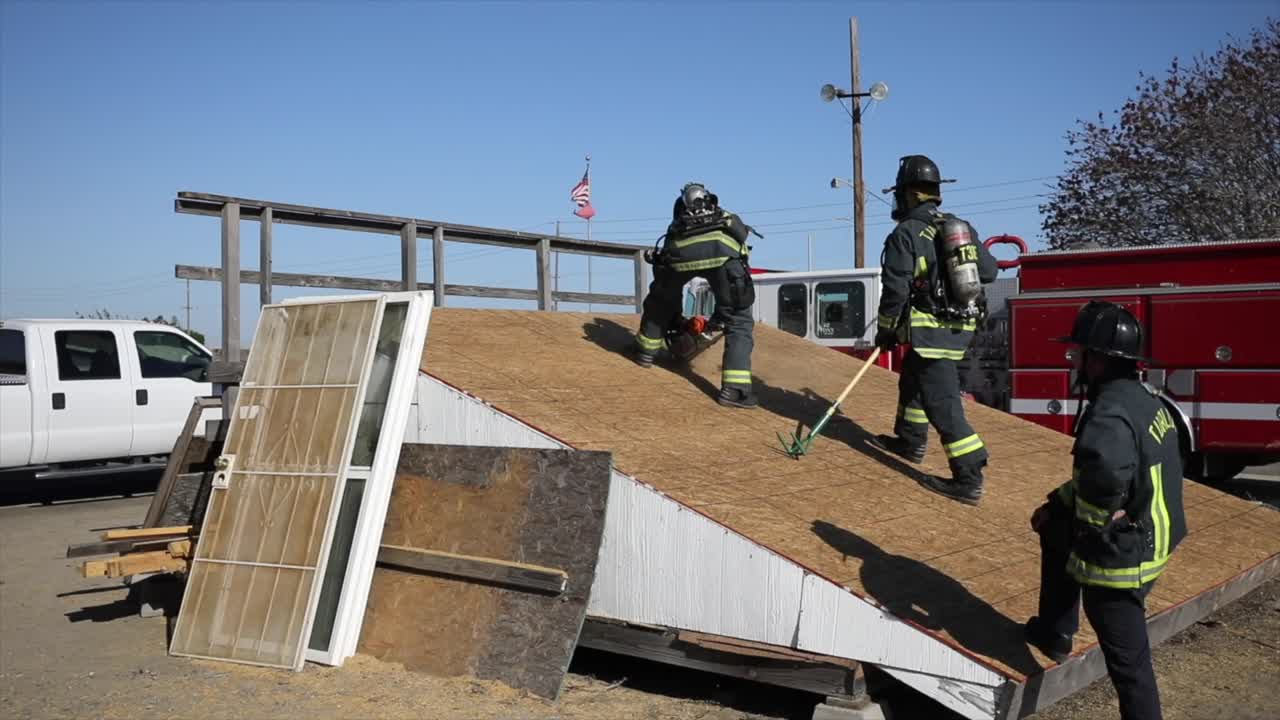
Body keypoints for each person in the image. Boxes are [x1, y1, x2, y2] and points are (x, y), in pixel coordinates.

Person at [1026, 300, 1187, 720]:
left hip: (1124, 558)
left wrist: (1091, 531)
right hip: (1155, 533)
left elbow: (1107, 477)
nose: (1076, 359)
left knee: (1130, 667)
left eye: (1080, 352)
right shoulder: (1145, 399)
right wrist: (1057, 505)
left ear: (1097, 359)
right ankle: (1054, 631)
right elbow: (1111, 476)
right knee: (1053, 525)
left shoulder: (1108, 414)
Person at [868, 155, 999, 504]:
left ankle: (968, 475)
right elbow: (989, 272)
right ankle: (910, 440)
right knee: (913, 376)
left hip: (931, 329)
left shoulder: (906, 232)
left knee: (941, 401)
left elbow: (895, 288)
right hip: (960, 325)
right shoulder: (959, 227)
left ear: (909, 194)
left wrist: (885, 330)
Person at [633, 182, 758, 409]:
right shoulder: (724, 216)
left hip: (679, 257)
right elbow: (742, 234)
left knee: (660, 302)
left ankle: (645, 352)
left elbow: (665, 255)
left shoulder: (679, 221)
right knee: (739, 321)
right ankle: (735, 391)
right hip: (724, 260)